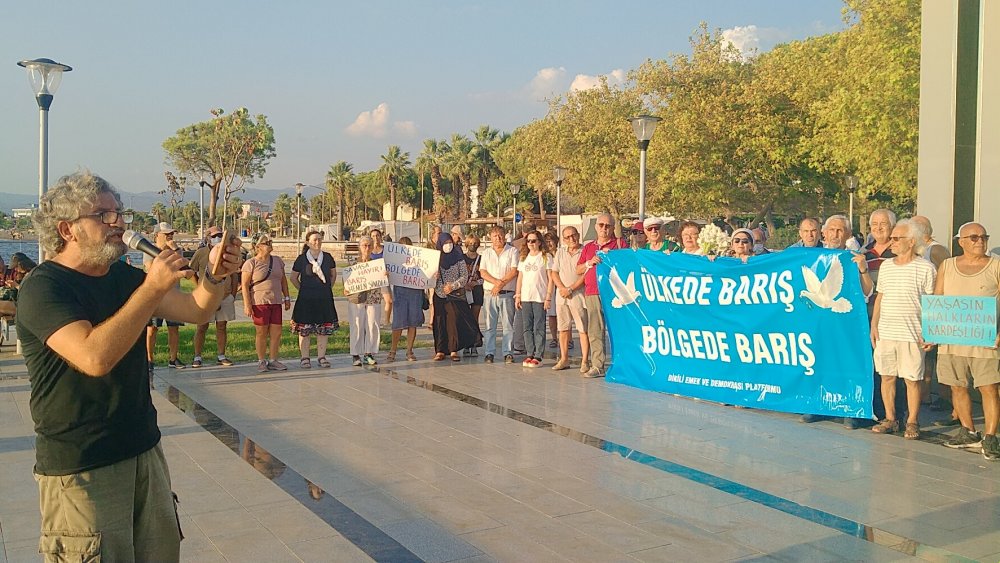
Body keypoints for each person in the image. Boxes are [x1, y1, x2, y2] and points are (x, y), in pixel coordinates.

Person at [17, 171, 242, 562]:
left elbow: (196, 309)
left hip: (143, 451)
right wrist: (152, 288)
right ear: (67, 230)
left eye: (119, 213)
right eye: (102, 215)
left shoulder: (123, 276)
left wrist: (214, 275)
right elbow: (94, 358)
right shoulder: (44, 287)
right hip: (83, 467)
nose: (118, 222)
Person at [799, 214, 873, 428]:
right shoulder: (809, 257)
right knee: (818, 362)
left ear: (848, 234)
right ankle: (818, 405)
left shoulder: (854, 258)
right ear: (824, 233)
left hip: (846, 323)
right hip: (818, 324)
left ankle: (851, 408)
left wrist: (863, 269)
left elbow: (868, 291)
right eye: (831, 230)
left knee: (848, 363)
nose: (835, 234)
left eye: (840, 230)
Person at [935, 222, 1000, 460]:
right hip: (951, 338)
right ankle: (969, 431)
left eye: (984, 237)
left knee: (989, 387)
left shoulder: (996, 265)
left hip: (985, 340)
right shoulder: (947, 265)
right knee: (957, 385)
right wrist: (931, 333)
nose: (980, 241)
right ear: (960, 241)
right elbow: (938, 298)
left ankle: (991, 437)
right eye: (973, 237)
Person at [869, 219, 936, 439]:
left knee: (912, 379)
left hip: (913, 333)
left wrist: (931, 332)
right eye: (892, 238)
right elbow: (880, 297)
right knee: (887, 376)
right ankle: (890, 418)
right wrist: (874, 325)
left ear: (912, 241)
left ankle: (912, 421)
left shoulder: (926, 268)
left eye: (897, 238)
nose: (892, 242)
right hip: (887, 331)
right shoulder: (887, 266)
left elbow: (932, 303)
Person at [576, 213, 627, 377]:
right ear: (596, 227)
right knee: (595, 330)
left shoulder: (619, 244)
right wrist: (589, 262)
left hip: (614, 294)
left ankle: (622, 363)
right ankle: (597, 365)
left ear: (613, 228)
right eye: (601, 225)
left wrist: (612, 257)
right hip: (593, 292)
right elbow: (578, 269)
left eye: (608, 225)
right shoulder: (588, 247)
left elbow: (627, 266)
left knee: (619, 329)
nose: (604, 228)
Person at [189, 226, 239, 367]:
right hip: (206, 297)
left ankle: (221, 355)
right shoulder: (201, 253)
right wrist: (198, 288)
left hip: (225, 296)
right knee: (202, 326)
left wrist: (233, 294)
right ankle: (197, 356)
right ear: (208, 238)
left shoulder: (227, 252)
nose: (217, 238)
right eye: (214, 236)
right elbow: (191, 271)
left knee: (222, 326)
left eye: (220, 235)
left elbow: (234, 274)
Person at [241, 233, 290, 373]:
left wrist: (287, 297)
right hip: (259, 302)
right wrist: (247, 304)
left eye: (270, 241)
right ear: (257, 247)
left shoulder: (278, 261)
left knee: (276, 332)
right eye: (266, 242)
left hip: (276, 301)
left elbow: (283, 280)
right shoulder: (251, 263)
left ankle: (273, 360)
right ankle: (261, 360)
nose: (270, 244)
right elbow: (244, 285)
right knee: (261, 332)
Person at [290, 230, 339, 369]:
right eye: (314, 240)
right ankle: (305, 358)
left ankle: (321, 357)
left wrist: (326, 288)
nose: (317, 242)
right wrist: (303, 289)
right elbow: (293, 278)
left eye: (319, 239)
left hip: (324, 298)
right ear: (308, 242)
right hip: (306, 299)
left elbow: (333, 275)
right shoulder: (301, 259)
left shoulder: (328, 257)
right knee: (304, 330)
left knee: (322, 329)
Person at [432, 233, 480, 361]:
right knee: (439, 322)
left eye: (450, 242)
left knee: (453, 322)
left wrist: (452, 286)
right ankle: (440, 350)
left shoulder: (459, 258)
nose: (448, 245)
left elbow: (464, 276)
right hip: (439, 294)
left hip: (454, 295)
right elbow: (427, 276)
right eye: (445, 243)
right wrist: (433, 277)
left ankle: (453, 349)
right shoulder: (435, 259)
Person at [144, 222, 186, 371]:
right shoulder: (148, 249)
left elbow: (182, 265)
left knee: (174, 328)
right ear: (157, 235)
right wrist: (162, 251)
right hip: (156, 296)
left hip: (173, 295)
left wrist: (175, 250)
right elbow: (150, 268)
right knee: (152, 328)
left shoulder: (176, 250)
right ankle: (149, 359)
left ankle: (173, 358)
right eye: (166, 234)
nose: (170, 237)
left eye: (171, 234)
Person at [550, 226, 590, 372]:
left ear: (578, 235)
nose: (571, 239)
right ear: (563, 239)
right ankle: (564, 359)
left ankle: (585, 361)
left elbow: (586, 274)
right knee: (563, 328)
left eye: (573, 235)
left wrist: (571, 288)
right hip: (562, 296)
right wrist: (562, 288)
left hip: (578, 295)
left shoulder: (585, 251)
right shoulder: (560, 252)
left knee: (582, 329)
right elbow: (554, 272)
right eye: (567, 237)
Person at [478, 225, 520, 364]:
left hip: (506, 293)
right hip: (490, 293)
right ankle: (489, 352)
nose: (498, 238)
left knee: (508, 325)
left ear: (505, 235)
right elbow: (483, 272)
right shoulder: (486, 253)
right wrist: (496, 283)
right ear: (490, 237)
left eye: (500, 235)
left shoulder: (512, 251)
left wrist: (501, 284)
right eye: (495, 236)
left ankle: (508, 352)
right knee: (490, 325)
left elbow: (514, 271)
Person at [516, 230, 554, 367]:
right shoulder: (523, 257)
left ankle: (538, 355)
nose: (531, 243)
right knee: (527, 326)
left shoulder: (546, 257)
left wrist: (548, 296)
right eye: (528, 241)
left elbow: (551, 278)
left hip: (540, 296)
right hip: (526, 296)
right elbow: (520, 278)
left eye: (533, 241)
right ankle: (529, 353)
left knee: (539, 326)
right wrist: (518, 295)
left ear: (539, 242)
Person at [347, 236, 382, 366]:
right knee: (357, 325)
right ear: (360, 247)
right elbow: (347, 281)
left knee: (373, 325)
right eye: (364, 245)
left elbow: (383, 278)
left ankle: (369, 353)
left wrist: (385, 275)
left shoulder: (377, 265)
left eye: (369, 245)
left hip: (373, 297)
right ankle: (355, 354)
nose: (367, 248)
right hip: (357, 298)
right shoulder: (353, 264)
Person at [387, 236, 424, 362]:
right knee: (398, 323)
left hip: (415, 292)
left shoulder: (419, 260)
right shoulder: (395, 261)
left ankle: (409, 350)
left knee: (413, 322)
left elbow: (427, 273)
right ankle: (393, 350)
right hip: (400, 292)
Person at [463, 234, 484, 356]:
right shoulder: (462, 258)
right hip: (464, 290)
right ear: (466, 244)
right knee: (465, 318)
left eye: (475, 243)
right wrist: (464, 284)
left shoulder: (482, 259)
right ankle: (466, 344)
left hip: (477, 291)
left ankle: (474, 344)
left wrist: (475, 283)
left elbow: (485, 275)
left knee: (474, 318)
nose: (473, 245)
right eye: (470, 243)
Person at [0, 252, 37, 319]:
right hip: (20, 303)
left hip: (27, 306)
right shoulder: (22, 274)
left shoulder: (32, 275)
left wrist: (15, 285)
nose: (16, 269)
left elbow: (31, 293)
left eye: (16, 267)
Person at [542, 230, 561, 351]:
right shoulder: (544, 256)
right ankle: (554, 338)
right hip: (550, 288)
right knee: (552, 315)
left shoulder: (561, 253)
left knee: (564, 314)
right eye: (546, 241)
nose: (549, 244)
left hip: (560, 286)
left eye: (551, 241)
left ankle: (568, 339)